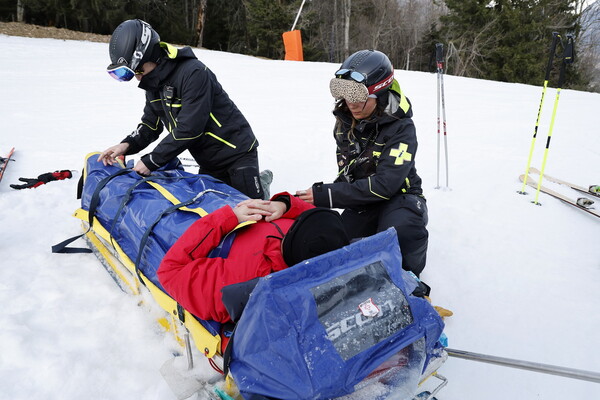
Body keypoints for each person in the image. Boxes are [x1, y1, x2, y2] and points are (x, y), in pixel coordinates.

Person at [296, 50, 429, 277]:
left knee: (398, 234)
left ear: (380, 94)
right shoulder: (345, 123)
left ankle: (408, 282)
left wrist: (327, 194)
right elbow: (348, 172)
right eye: (347, 98)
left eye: (359, 98)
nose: (352, 105)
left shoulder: (402, 128)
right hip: (366, 201)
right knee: (334, 243)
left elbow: (387, 184)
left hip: (402, 197)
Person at [98, 19, 264, 199]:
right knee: (220, 215)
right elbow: (150, 126)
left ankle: (261, 183)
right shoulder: (153, 84)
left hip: (237, 154)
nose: (138, 79)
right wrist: (126, 145)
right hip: (208, 161)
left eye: (138, 71)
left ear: (151, 56)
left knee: (255, 211)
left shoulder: (193, 72)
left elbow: (190, 128)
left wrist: (152, 161)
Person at [157, 193, 350, 323]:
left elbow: (170, 271)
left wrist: (225, 219)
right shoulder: (324, 247)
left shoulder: (237, 280)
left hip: (198, 223)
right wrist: (285, 204)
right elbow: (317, 219)